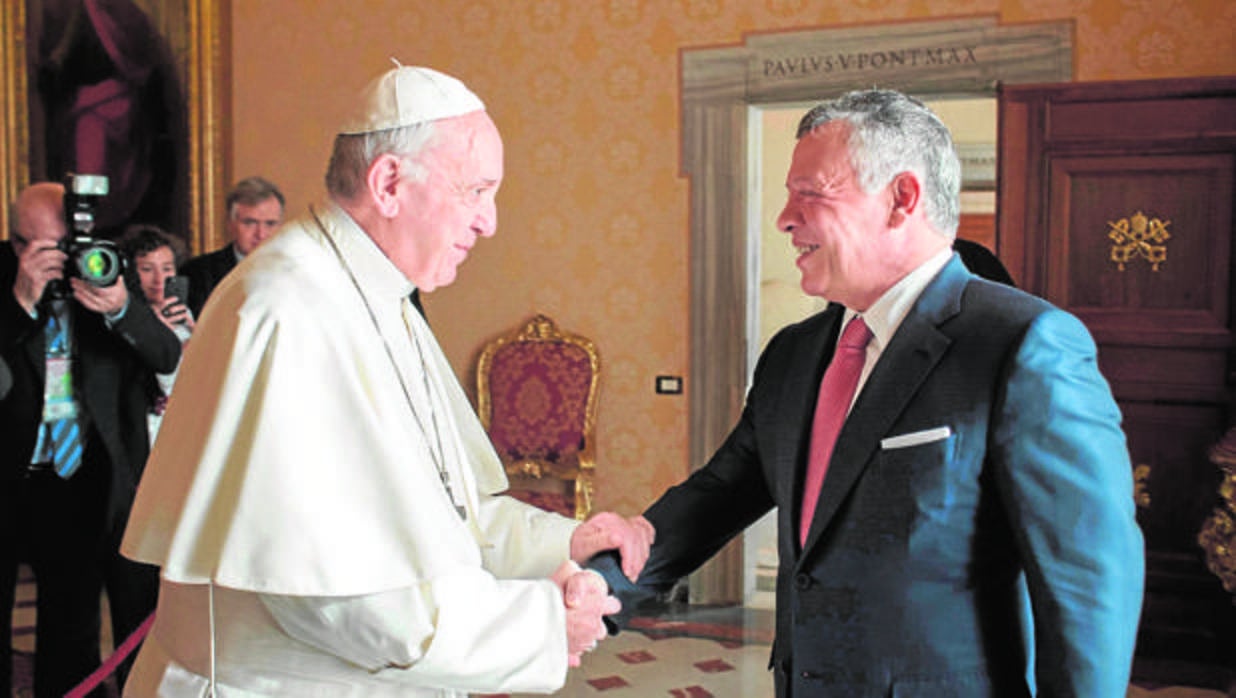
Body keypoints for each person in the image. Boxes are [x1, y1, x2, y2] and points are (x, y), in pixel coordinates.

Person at [119, 64, 654, 696]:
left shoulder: (382, 297)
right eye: (476, 191)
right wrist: (539, 627)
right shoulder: (290, 308)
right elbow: (336, 600)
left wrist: (569, 539)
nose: (489, 222)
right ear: (390, 182)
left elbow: (443, 515)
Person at [595, 90, 1144, 697]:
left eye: (810, 194)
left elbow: (1088, 584)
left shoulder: (1023, 344)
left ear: (901, 199)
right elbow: (723, 492)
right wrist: (602, 585)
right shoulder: (793, 353)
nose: (784, 217)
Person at [0, 182, 181, 696]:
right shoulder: (5, 278)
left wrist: (121, 307)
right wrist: (20, 302)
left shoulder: (103, 269)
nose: (64, 259)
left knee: (87, 623)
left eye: (68, 243)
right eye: (46, 247)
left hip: (86, 475)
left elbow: (166, 354)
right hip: (13, 473)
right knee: (32, 621)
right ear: (17, 244)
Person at [120, 224, 194, 443]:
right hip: (143, 428)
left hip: (181, 422)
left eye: (167, 268)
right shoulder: (126, 318)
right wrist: (156, 333)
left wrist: (198, 335)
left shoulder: (183, 313)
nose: (159, 279)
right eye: (147, 269)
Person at [178, 175, 284, 317]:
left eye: (270, 224)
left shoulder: (298, 271)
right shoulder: (197, 273)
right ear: (230, 224)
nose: (261, 234)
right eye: (250, 223)